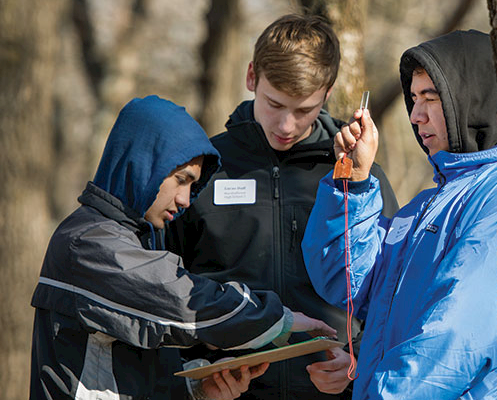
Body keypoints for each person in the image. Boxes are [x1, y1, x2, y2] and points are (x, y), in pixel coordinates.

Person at [29, 95, 336, 400]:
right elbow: (185, 302)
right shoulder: (87, 244)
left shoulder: (134, 240)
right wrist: (281, 319)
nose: (186, 200)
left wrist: (197, 390)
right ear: (144, 164)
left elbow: (124, 372)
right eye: (181, 180)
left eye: (192, 186)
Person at [166, 14, 398, 400]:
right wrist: (196, 377)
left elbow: (392, 293)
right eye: (274, 104)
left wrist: (358, 363)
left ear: (327, 93)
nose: (287, 125)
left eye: (303, 110)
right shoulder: (202, 167)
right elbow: (165, 288)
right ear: (252, 77)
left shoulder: (356, 175)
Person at [301, 30, 497, 399]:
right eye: (413, 99)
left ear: (472, 98)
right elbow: (345, 281)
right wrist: (355, 180)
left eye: (430, 98)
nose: (415, 115)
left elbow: (456, 338)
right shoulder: (425, 205)